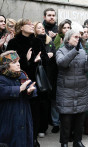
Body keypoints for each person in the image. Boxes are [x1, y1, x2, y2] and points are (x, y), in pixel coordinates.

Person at [6, 18, 49, 147]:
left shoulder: (37, 41)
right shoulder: (13, 43)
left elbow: (46, 60)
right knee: (19, 112)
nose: (32, 26)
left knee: (35, 112)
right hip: (18, 81)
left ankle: (33, 139)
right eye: (28, 24)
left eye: (32, 24)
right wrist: (27, 60)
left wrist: (38, 60)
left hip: (35, 82)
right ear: (21, 27)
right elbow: (8, 65)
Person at [56, 23, 88, 147]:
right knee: (66, 121)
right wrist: (75, 51)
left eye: (79, 37)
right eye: (75, 37)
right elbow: (62, 63)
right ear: (68, 38)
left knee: (79, 120)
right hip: (66, 91)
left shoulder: (82, 51)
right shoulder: (61, 50)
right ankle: (64, 143)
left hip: (81, 90)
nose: (78, 39)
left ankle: (78, 141)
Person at [0, 51, 37, 147]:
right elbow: (2, 91)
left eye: (18, 61)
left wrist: (29, 91)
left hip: (24, 117)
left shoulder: (22, 75)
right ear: (6, 65)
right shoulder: (2, 78)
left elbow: (32, 88)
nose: (18, 64)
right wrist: (19, 89)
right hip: (8, 118)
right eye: (14, 62)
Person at [34, 22, 58, 136]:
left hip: (48, 75)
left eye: (42, 28)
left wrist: (52, 55)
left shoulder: (50, 41)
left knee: (46, 103)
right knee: (38, 103)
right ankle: (38, 128)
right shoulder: (33, 41)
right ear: (34, 30)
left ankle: (43, 128)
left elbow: (55, 56)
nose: (42, 29)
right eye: (39, 28)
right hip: (37, 75)